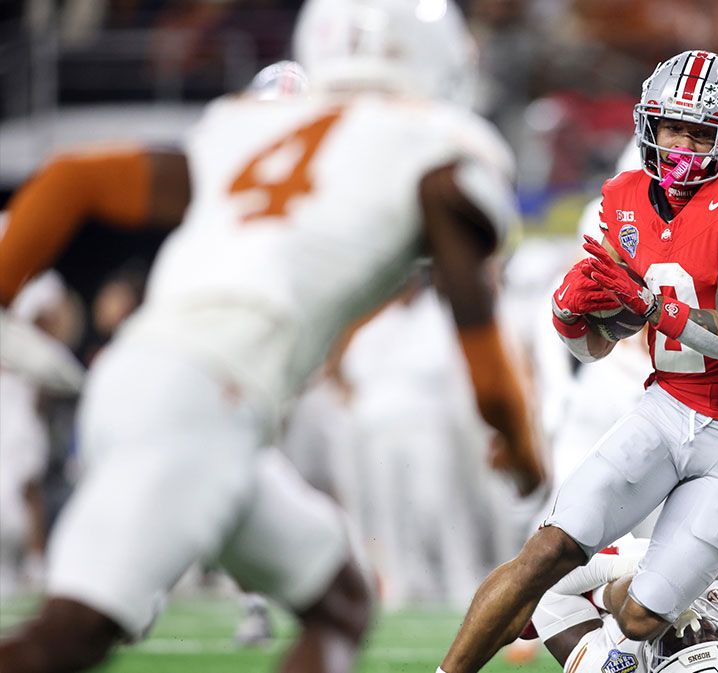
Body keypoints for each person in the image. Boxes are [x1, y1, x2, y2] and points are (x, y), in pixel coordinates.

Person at [0, 2, 545, 672]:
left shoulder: (244, 124)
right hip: (206, 398)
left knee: (341, 600)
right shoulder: (437, 148)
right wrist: (521, 447)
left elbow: (69, 177)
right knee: (69, 636)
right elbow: (482, 340)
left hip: (163, 380)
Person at [438, 49, 718, 673]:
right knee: (542, 555)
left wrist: (650, 305)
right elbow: (599, 344)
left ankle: (673, 589)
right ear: (648, 125)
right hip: (666, 405)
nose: (681, 142)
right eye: (671, 125)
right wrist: (570, 320)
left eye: (699, 131)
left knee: (639, 617)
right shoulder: (625, 198)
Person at [531, 533, 718, 673]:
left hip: (595, 578)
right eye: (709, 636)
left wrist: (628, 567)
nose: (693, 627)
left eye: (677, 643)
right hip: (692, 553)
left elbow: (547, 587)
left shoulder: (604, 665)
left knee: (642, 611)